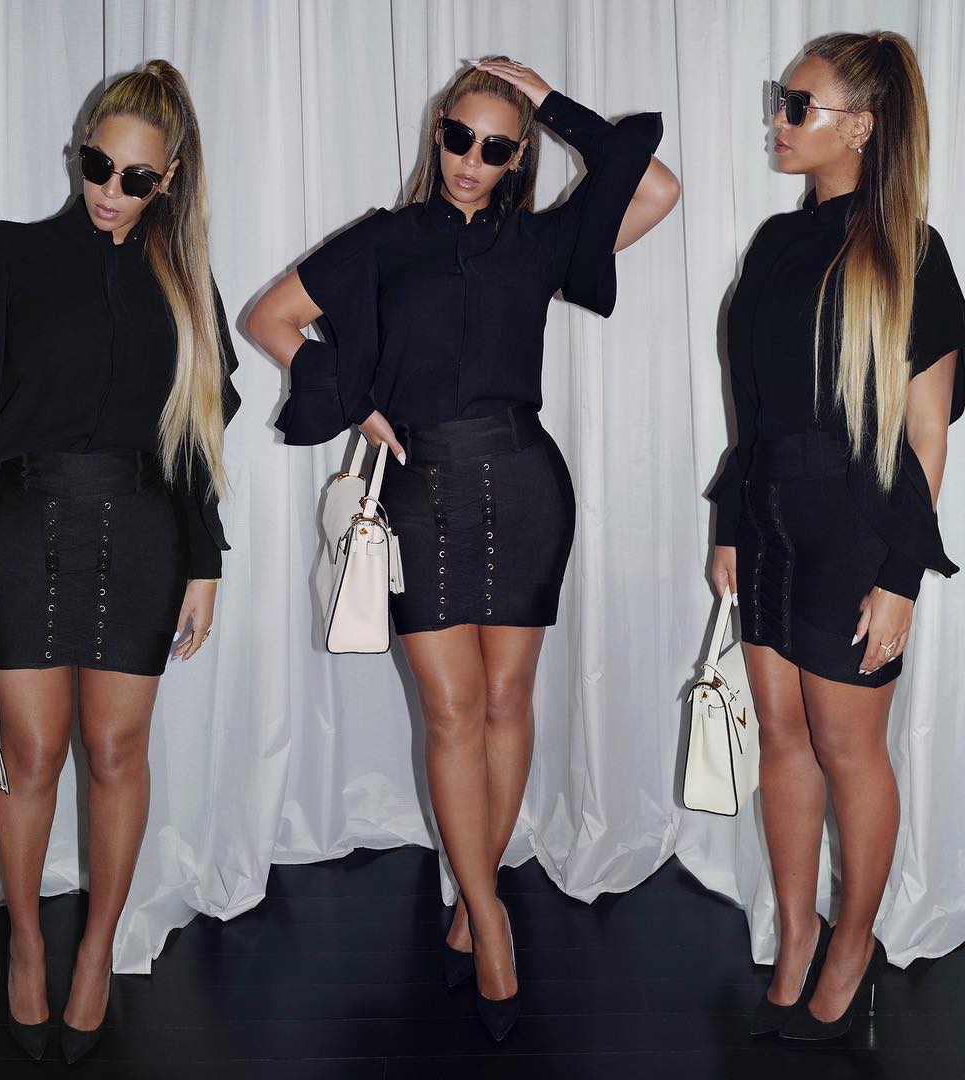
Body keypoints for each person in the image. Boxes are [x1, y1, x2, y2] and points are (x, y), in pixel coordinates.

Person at [247, 56, 679, 1041]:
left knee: (504, 702)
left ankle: (471, 904)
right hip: (422, 489)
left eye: (494, 146)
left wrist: (548, 100)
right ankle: (487, 917)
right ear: (436, 129)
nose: (470, 160)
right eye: (458, 137)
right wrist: (353, 401)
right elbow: (271, 319)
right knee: (449, 711)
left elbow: (654, 186)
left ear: (518, 154)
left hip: (525, 485)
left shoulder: (542, 241)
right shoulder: (386, 239)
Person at [0, 60, 241, 1063]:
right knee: (29, 757)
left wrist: (205, 562)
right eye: (98, 165)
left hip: (142, 532)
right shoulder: (10, 255)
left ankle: (96, 949)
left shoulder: (184, 285)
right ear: (80, 152)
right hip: (21, 527)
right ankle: (25, 943)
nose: (109, 189)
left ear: (169, 179)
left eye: (135, 177)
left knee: (117, 753)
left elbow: (195, 439)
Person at [707, 32, 965, 1041]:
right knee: (782, 736)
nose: (778, 121)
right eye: (780, 101)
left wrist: (901, 575)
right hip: (769, 519)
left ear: (860, 126)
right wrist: (731, 523)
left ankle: (854, 945)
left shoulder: (910, 252)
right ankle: (796, 933)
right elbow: (751, 406)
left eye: (797, 105)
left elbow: (926, 436)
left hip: (857, 530)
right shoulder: (775, 245)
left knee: (848, 749)